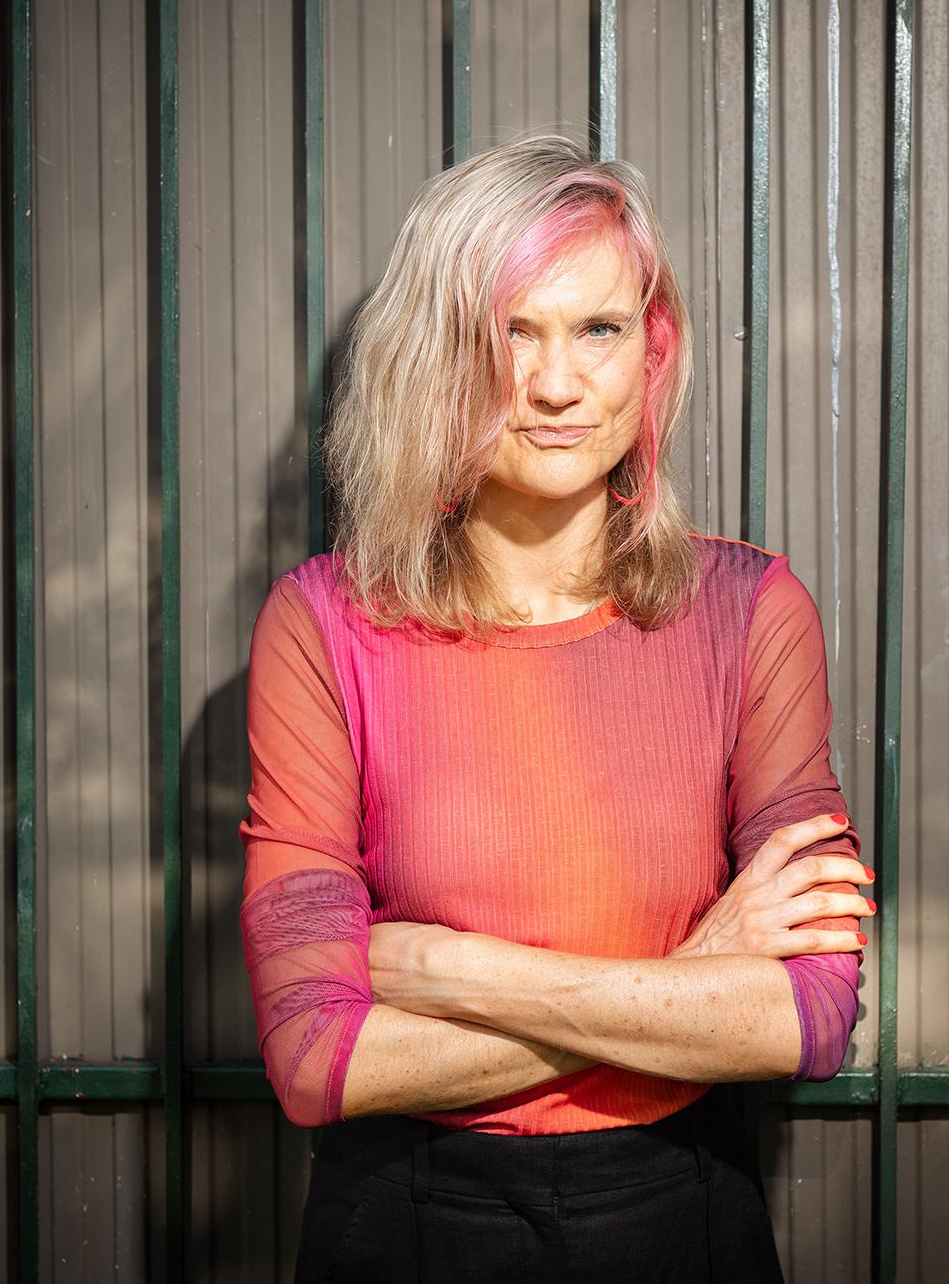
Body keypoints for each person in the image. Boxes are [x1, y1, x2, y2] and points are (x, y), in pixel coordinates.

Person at [238, 133, 875, 1283]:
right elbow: (314, 1054)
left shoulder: (750, 613)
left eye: (598, 329)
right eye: (509, 333)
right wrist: (689, 982)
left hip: (680, 1212)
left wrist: (449, 972)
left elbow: (811, 1014)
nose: (555, 384)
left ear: (652, 348)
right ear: (439, 355)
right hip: (405, 1220)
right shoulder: (323, 623)